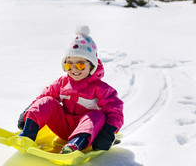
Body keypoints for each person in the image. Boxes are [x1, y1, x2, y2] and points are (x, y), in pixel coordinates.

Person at [17, 25, 124, 154]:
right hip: (63, 127)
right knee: (48, 100)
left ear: (92, 66)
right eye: (69, 65)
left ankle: (74, 145)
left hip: (87, 131)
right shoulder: (62, 83)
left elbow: (115, 111)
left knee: (97, 115)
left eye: (80, 65)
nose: (74, 69)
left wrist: (108, 131)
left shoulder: (102, 89)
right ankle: (28, 135)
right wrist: (28, 112)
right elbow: (42, 99)